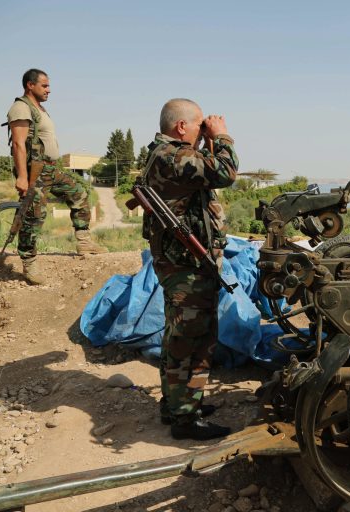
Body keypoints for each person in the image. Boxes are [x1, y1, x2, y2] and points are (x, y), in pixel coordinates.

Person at [142, 98, 238, 440]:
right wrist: (223, 135)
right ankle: (186, 418)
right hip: (187, 266)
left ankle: (179, 405)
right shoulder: (174, 155)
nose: (205, 130)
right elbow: (225, 171)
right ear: (181, 126)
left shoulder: (167, 155)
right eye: (200, 125)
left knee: (178, 335)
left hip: (182, 264)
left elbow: (206, 170)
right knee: (193, 338)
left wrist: (209, 141)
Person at [7, 68, 107, 284]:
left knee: (79, 193)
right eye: (44, 85)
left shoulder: (40, 109)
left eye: (48, 85)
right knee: (34, 214)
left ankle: (83, 242)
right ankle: (29, 263)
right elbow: (18, 144)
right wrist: (22, 177)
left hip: (50, 168)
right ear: (29, 85)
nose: (49, 90)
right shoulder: (20, 108)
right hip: (35, 171)